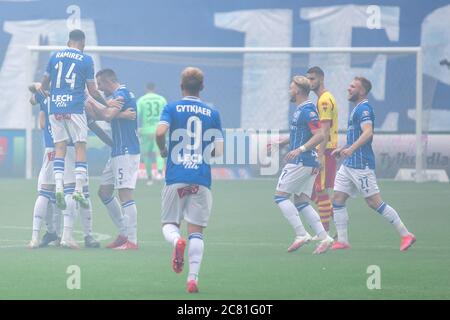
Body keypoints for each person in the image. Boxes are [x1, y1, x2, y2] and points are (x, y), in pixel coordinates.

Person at [156, 67, 224, 293]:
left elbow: (159, 132)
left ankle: (176, 242)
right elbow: (219, 150)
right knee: (196, 231)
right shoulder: (212, 112)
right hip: (200, 178)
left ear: (181, 86)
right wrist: (207, 154)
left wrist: (164, 149)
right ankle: (192, 279)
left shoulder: (172, 107)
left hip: (176, 175)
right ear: (202, 87)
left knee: (169, 225)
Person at [331, 77, 416, 251]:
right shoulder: (356, 109)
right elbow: (357, 136)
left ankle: (406, 234)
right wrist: (344, 148)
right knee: (338, 199)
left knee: (374, 202)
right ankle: (343, 240)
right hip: (349, 164)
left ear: (362, 91)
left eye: (353, 86)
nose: (349, 88)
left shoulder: (364, 109)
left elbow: (368, 133)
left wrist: (352, 149)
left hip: (361, 165)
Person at [38, 29, 108, 210]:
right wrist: (106, 103)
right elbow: (92, 91)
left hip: (55, 107)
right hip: (75, 107)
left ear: (69, 41)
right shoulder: (86, 60)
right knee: (80, 145)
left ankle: (59, 186)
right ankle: (77, 189)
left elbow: (44, 85)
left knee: (59, 146)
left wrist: (49, 94)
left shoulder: (54, 57)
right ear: (82, 43)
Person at [271, 76, 334, 254]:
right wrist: (282, 142)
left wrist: (300, 149)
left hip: (301, 161)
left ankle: (301, 234)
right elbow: (303, 133)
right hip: (307, 161)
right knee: (301, 202)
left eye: (291, 87)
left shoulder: (308, 110)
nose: (289, 90)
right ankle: (324, 237)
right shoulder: (302, 110)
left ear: (298, 90)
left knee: (280, 197)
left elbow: (320, 134)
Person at [89, 69, 140, 250]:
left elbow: (108, 116)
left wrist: (111, 112)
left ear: (108, 80)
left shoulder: (122, 94)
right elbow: (102, 115)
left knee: (125, 194)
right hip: (117, 151)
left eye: (100, 84)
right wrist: (122, 115)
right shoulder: (116, 96)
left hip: (126, 151)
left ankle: (131, 240)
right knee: (104, 192)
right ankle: (123, 233)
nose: (100, 89)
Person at [306, 66, 338, 232]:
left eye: (312, 79)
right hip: (323, 149)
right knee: (312, 190)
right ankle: (338, 224)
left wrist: (319, 155)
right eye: (308, 79)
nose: (310, 82)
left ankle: (325, 232)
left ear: (321, 78)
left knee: (320, 190)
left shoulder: (324, 100)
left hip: (325, 150)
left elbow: (324, 131)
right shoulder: (323, 98)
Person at [137, 82, 167, 185]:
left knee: (146, 154)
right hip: (159, 129)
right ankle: (159, 173)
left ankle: (149, 178)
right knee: (159, 152)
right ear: (155, 88)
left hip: (146, 131)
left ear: (146, 89)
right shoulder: (161, 99)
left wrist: (138, 128)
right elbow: (166, 113)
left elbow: (136, 114)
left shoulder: (141, 100)